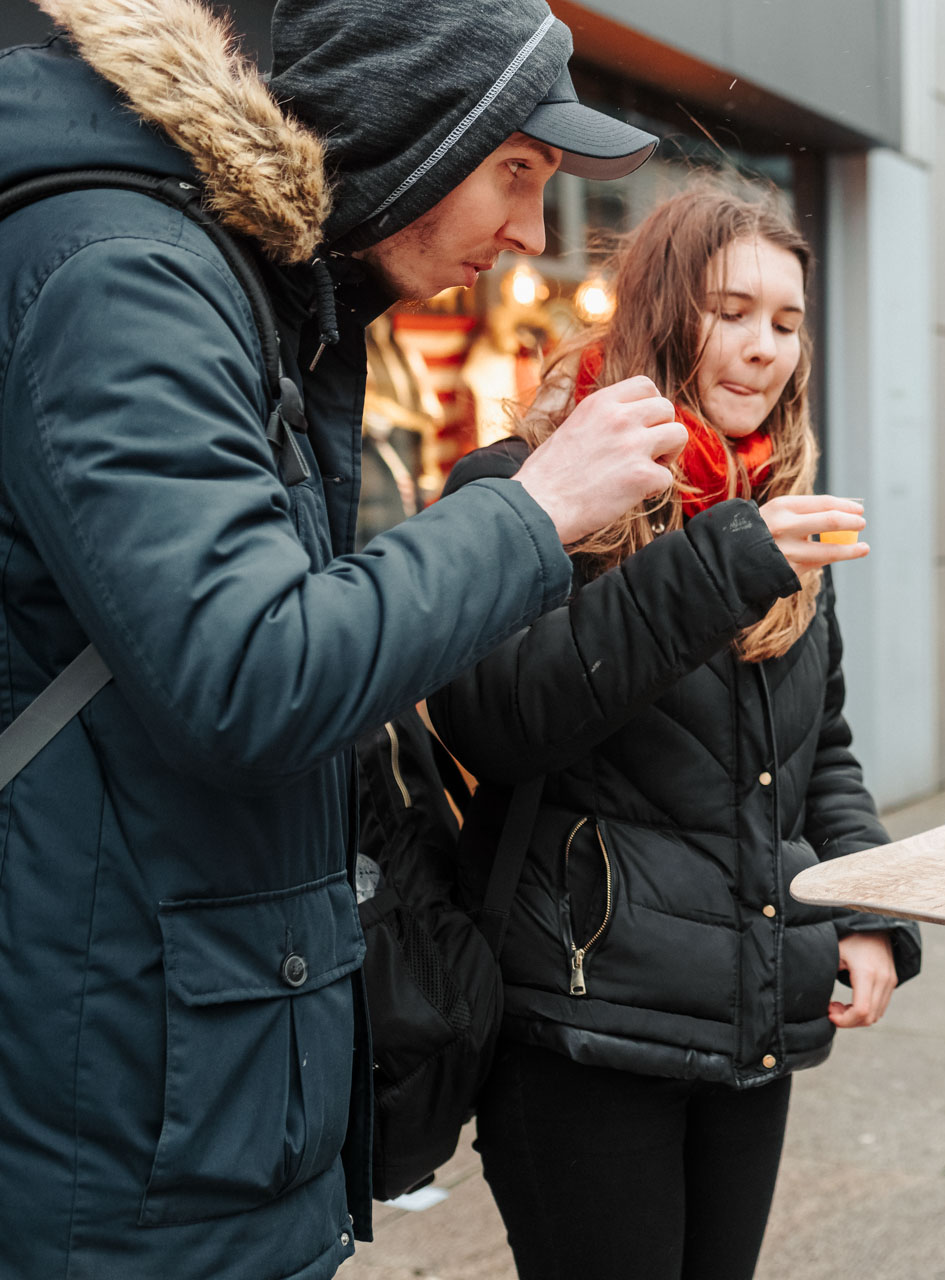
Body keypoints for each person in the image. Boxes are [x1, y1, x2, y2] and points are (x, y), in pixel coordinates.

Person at [0, 0, 712, 1275]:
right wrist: (535, 509)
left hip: (180, 1088)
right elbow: (252, 671)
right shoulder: (123, 269)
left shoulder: (225, 281)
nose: (528, 233)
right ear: (406, 122)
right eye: (516, 171)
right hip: (115, 1123)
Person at [427, 179, 923, 1280]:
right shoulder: (522, 486)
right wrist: (723, 558)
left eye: (788, 324)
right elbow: (500, 718)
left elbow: (820, 747)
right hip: (581, 1019)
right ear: (657, 313)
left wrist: (866, 908)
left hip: (747, 1007)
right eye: (730, 311)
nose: (763, 350)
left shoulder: (776, 508)